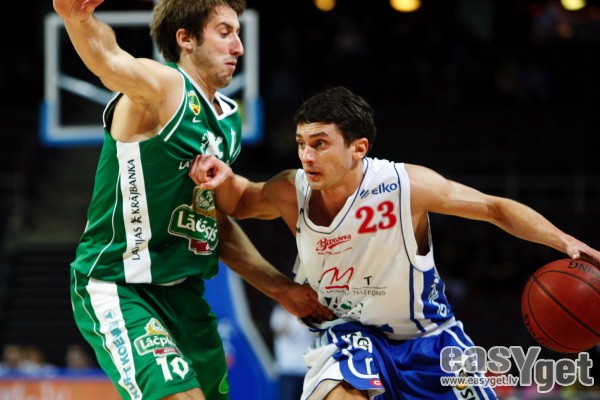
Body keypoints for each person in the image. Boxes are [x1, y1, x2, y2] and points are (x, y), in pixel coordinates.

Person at [188, 86, 600, 400]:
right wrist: (220, 177)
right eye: (301, 143)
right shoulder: (289, 190)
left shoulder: (404, 186)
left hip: (430, 339)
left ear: (358, 149)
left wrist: (563, 240)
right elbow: (237, 202)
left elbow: (494, 208)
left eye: (320, 143)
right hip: (352, 334)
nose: (306, 156)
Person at [52, 1, 331, 399]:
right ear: (185, 39)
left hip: (184, 294)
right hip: (121, 285)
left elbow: (213, 223)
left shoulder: (227, 119)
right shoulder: (165, 88)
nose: (238, 47)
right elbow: (112, 62)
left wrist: (279, 289)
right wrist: (78, 19)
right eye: (224, 32)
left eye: (238, 34)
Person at [270, 302, 318, 400]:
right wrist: (289, 312)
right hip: (288, 368)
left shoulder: (310, 313)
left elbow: (317, 333)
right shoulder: (280, 312)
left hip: (308, 369)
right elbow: (279, 331)